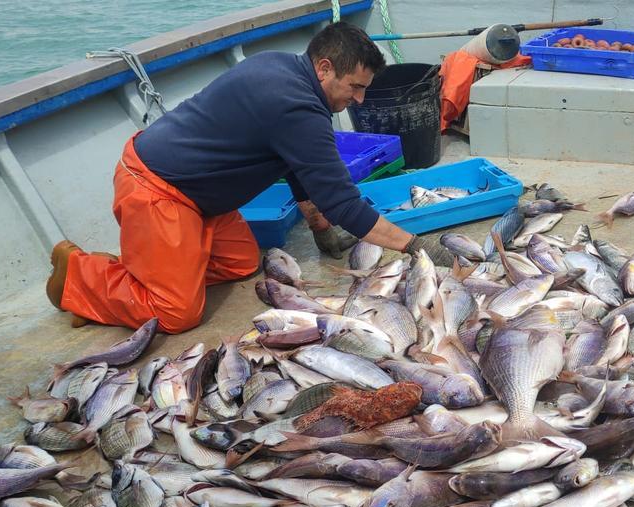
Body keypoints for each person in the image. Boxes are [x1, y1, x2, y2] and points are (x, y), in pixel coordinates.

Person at [45, 22, 454, 334]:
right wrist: (415, 247)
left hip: (204, 200)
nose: (360, 99)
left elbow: (296, 163)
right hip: (158, 187)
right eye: (356, 87)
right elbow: (343, 202)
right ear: (324, 67)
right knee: (176, 313)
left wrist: (319, 227)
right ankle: (81, 277)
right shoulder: (297, 107)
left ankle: (154, 266)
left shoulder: (282, 67)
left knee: (242, 265)